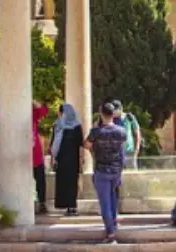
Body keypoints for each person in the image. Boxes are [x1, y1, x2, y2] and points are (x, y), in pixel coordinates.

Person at [85, 102, 128, 244]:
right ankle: (114, 224)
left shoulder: (96, 132)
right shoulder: (121, 131)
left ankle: (110, 233)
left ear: (101, 113)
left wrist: (94, 151)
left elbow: (86, 145)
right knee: (113, 199)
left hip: (102, 170)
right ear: (113, 114)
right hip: (116, 170)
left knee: (105, 203)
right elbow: (122, 150)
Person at [51, 103, 85, 215]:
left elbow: (81, 144)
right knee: (69, 183)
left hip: (65, 159)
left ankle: (69, 206)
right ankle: (70, 206)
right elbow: (81, 145)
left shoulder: (59, 125)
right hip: (68, 160)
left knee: (67, 182)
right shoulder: (73, 126)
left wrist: (53, 157)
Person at [112, 99, 142, 169]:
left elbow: (137, 131)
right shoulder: (110, 119)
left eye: (116, 110)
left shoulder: (128, 117)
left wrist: (137, 147)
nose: (115, 112)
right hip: (115, 152)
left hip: (129, 151)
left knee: (132, 172)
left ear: (121, 108)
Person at [32, 100, 50, 215]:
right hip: (21, 152)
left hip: (36, 152)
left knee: (40, 179)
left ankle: (42, 203)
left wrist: (33, 101)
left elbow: (44, 110)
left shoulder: (32, 113)